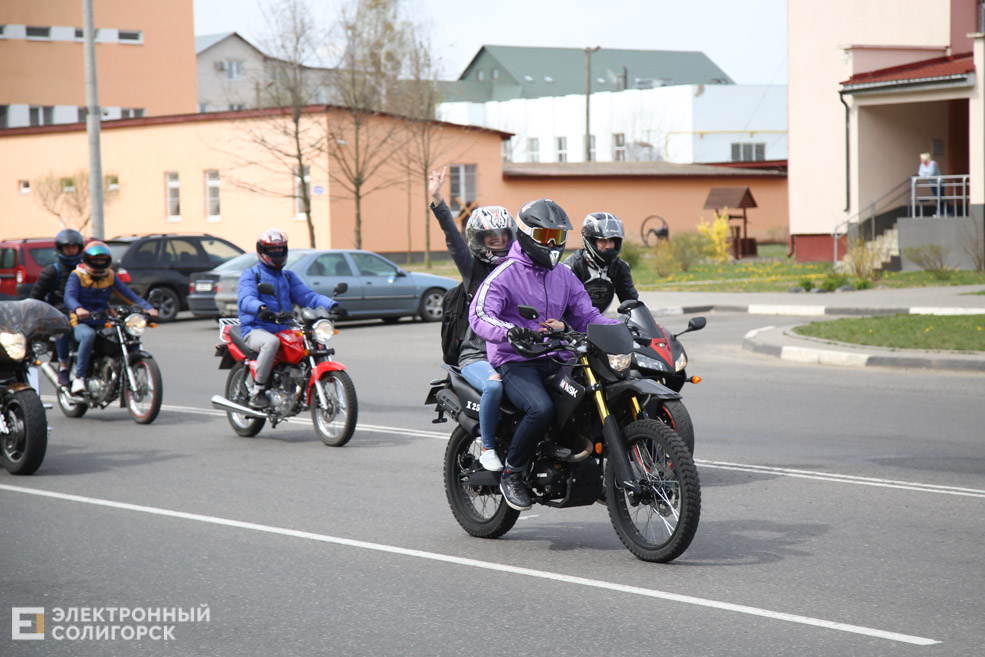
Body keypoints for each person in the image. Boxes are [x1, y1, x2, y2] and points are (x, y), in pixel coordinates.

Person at [469, 198, 619, 511]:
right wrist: (509, 331)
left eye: (558, 237)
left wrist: (624, 329)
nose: (552, 244)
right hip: (516, 360)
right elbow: (480, 314)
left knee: (591, 396)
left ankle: (593, 468)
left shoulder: (563, 275)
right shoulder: (506, 273)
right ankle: (513, 472)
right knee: (540, 408)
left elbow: (587, 315)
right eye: (544, 237)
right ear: (525, 234)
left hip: (556, 356)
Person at [429, 166, 515, 471]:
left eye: (503, 234)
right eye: (490, 235)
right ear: (479, 238)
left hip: (514, 349)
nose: (498, 239)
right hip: (477, 352)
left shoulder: (519, 265)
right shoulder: (473, 268)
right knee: (493, 387)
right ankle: (488, 449)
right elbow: (453, 239)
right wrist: (438, 198)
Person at [237, 229, 340, 409]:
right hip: (256, 328)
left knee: (309, 342)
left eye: (280, 250)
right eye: (272, 250)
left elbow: (307, 296)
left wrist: (332, 305)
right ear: (261, 251)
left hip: (283, 327)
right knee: (271, 343)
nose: (277, 254)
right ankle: (258, 391)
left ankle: (302, 385)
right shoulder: (251, 274)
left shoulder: (288, 276)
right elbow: (246, 298)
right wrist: (261, 308)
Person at [63, 241, 158, 395]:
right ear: (87, 259)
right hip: (81, 322)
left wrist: (148, 308)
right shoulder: (78, 275)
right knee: (88, 335)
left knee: (125, 334)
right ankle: (79, 378)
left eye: (102, 259)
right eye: (96, 260)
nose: (99, 263)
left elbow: (129, 295)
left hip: (103, 320)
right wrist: (78, 308)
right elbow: (69, 297)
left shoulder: (110, 276)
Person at [29, 229, 85, 387]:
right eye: (67, 248)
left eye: (74, 247)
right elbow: (36, 297)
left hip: (83, 311)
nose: (71, 250)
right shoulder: (52, 271)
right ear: (60, 249)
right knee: (63, 326)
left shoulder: (86, 269)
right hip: (59, 311)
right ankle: (64, 367)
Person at [563, 212, 639, 312]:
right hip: (571, 324)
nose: (608, 246)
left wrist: (648, 321)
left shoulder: (620, 267)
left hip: (599, 323)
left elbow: (632, 302)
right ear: (591, 240)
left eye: (611, 241)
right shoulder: (572, 268)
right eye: (603, 241)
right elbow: (559, 305)